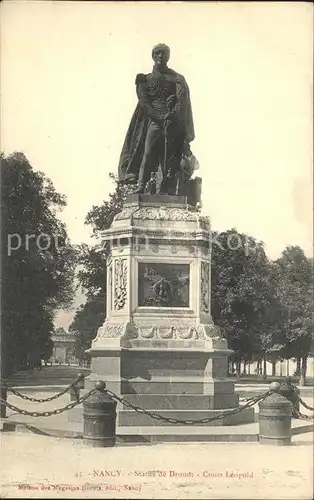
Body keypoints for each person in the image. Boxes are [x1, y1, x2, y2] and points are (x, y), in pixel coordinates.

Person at [118, 43, 195, 194]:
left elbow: (182, 100)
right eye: (158, 53)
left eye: (164, 53)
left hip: (172, 122)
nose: (161, 56)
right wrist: (161, 116)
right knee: (148, 153)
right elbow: (145, 103)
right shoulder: (144, 80)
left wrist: (172, 115)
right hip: (154, 122)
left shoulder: (177, 79)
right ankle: (141, 185)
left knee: (169, 158)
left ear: (168, 57)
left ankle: (165, 189)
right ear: (153, 56)